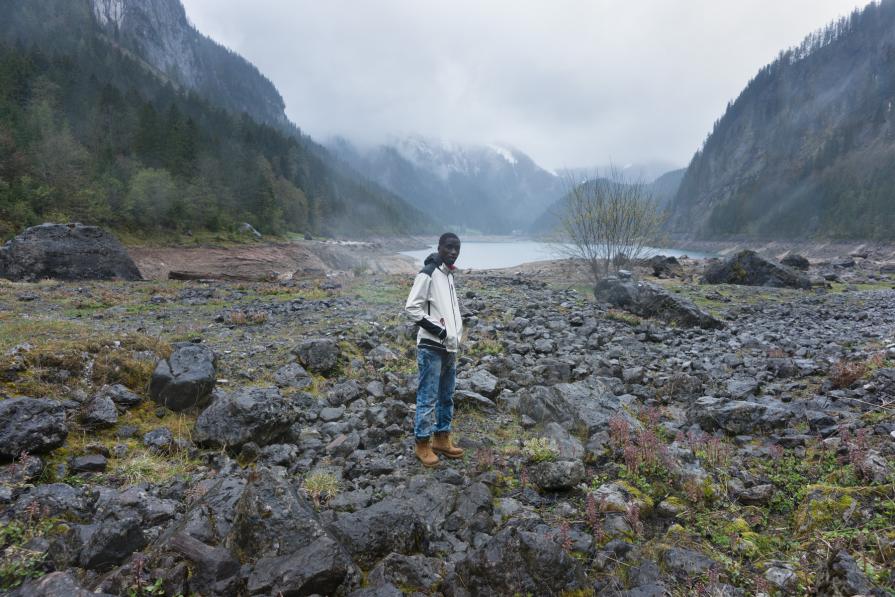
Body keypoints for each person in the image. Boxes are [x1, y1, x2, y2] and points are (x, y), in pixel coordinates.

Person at [404, 233, 464, 466]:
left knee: (446, 395)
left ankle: (442, 438)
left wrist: (456, 335)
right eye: (449, 247)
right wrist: (440, 332)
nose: (453, 252)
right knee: (428, 397)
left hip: (450, 348)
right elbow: (412, 308)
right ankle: (422, 444)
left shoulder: (448, 274)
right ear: (439, 247)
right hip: (432, 346)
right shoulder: (428, 273)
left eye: (457, 248)